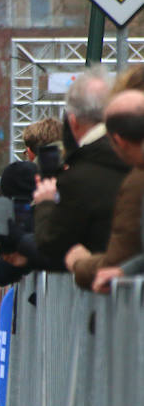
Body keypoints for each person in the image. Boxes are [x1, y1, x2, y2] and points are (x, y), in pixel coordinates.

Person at [34, 67, 129, 265]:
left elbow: (53, 245)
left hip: (100, 277)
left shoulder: (77, 177)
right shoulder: (130, 156)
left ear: (73, 122)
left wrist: (45, 203)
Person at [65, 89, 144, 291]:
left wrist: (79, 264)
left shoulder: (136, 182)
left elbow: (119, 256)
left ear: (119, 141)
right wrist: (126, 270)